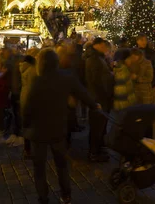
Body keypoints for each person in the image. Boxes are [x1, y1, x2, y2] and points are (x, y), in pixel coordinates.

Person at [22, 48, 99, 204]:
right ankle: (66, 195)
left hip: (37, 132)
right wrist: (94, 105)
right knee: (61, 165)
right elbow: (82, 93)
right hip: (58, 128)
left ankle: (43, 198)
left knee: (39, 169)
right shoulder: (66, 77)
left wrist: (25, 125)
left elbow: (26, 107)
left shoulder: (36, 80)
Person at [85, 38, 114, 162]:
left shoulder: (99, 58)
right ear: (97, 45)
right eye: (103, 45)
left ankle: (99, 148)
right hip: (99, 98)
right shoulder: (94, 59)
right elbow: (96, 81)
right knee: (97, 126)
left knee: (100, 126)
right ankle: (94, 153)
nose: (105, 47)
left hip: (101, 97)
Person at [136, 34, 155, 137]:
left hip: (151, 85)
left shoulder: (151, 53)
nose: (143, 42)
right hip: (140, 86)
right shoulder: (135, 53)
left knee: (153, 108)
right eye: (141, 40)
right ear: (137, 41)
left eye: (145, 40)